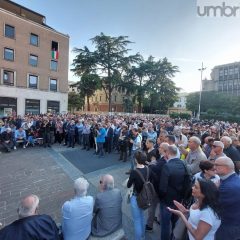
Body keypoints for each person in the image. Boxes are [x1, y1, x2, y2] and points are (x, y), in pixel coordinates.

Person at [158, 145, 188, 240]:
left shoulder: (167, 166)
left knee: (165, 225)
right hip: (178, 200)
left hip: (167, 201)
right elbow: (186, 181)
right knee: (175, 222)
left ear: (167, 153)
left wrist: (161, 198)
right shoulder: (183, 163)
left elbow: (162, 187)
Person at [127, 151, 154, 240]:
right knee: (142, 217)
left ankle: (139, 238)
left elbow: (128, 185)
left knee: (137, 220)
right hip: (145, 196)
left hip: (136, 197)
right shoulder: (147, 168)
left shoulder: (134, 172)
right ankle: (143, 236)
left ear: (136, 160)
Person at [214, 156, 240, 240]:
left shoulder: (228, 187)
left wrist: (214, 189)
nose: (214, 167)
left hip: (228, 229)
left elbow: (212, 204)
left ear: (226, 168)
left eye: (216, 165)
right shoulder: (233, 179)